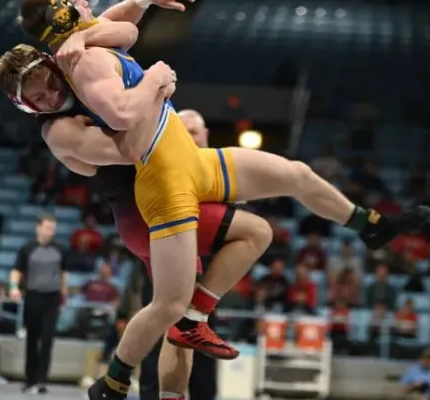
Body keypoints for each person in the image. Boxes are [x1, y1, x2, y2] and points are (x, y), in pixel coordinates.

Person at [0, 2, 430, 398]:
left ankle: (370, 225)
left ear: (52, 63)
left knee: (295, 177)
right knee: (174, 301)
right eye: (38, 98)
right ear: (29, 108)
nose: (51, 96)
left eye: (48, 84)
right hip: (151, 202)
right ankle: (116, 380)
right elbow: (128, 142)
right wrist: (154, 81)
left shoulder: (78, 55)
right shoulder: (61, 128)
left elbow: (122, 30)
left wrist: (123, 13)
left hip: (187, 167)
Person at [25, 103, 269, 399]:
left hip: (208, 271)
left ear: (205, 133)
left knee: (195, 333)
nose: (190, 136)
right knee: (165, 322)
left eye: (194, 131)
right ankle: (141, 389)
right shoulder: (159, 157)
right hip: (163, 248)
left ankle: (131, 383)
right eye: (185, 131)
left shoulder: (221, 169)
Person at [9, 214, 67, 393]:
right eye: (48, 227)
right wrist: (14, 287)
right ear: (39, 228)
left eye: (53, 228)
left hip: (52, 299)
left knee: (48, 339)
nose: (51, 231)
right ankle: (30, 379)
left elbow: (63, 274)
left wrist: (64, 295)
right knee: (32, 339)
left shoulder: (60, 249)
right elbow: (16, 270)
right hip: (33, 296)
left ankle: (42, 379)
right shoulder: (28, 248)